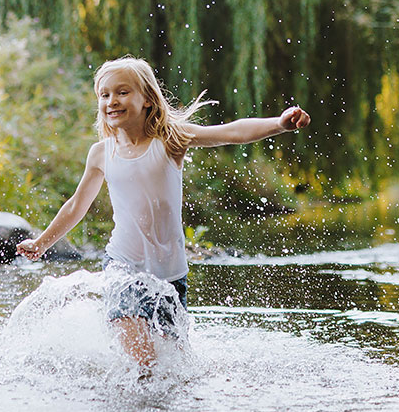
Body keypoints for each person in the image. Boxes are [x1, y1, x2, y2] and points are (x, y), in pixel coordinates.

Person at [16, 56, 310, 372]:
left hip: (171, 276)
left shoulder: (170, 140)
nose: (112, 101)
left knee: (175, 369)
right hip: (123, 268)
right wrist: (42, 242)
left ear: (147, 100)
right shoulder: (102, 152)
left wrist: (278, 123)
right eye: (104, 94)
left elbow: (231, 132)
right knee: (144, 365)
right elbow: (77, 205)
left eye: (122, 92)